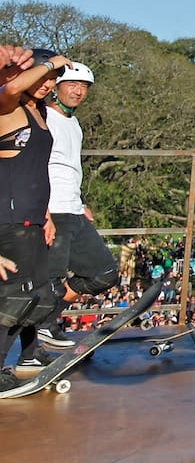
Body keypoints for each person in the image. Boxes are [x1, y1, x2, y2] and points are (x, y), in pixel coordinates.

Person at [0, 48, 73, 389]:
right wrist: (49, 63)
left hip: (32, 216)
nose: (48, 83)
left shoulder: (39, 112)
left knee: (37, 293)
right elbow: (12, 89)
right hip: (9, 216)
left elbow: (35, 168)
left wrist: (47, 214)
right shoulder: (8, 106)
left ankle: (29, 352)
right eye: (43, 77)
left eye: (53, 80)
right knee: (14, 298)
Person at [35, 61, 120, 352]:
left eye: (84, 87)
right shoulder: (42, 117)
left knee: (104, 272)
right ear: (56, 87)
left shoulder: (73, 123)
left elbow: (69, 167)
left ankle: (46, 320)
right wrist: (43, 211)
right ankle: (34, 340)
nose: (78, 91)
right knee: (49, 280)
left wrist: (81, 203)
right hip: (52, 210)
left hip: (72, 208)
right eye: (72, 84)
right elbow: (34, 167)